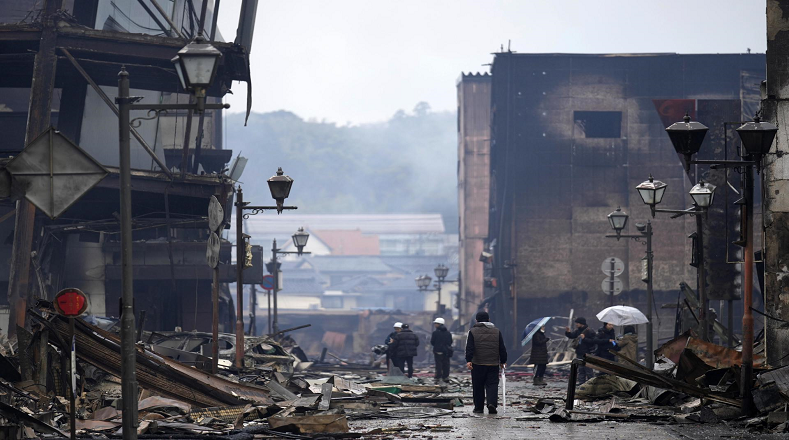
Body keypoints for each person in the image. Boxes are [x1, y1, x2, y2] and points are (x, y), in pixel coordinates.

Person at [466, 311, 507, 415]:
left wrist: (469, 360)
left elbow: (470, 347)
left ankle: (479, 408)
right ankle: (491, 403)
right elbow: (502, 347)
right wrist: (503, 361)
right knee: (492, 385)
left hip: (477, 363)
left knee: (478, 386)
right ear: (489, 320)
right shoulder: (496, 331)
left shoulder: (472, 331)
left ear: (476, 320)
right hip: (493, 363)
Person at [565, 317, 596, 385]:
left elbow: (593, 341)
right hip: (579, 352)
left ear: (582, 323)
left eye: (577, 323)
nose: (576, 324)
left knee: (588, 369)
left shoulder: (590, 331)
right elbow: (572, 336)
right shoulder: (578, 331)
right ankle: (582, 382)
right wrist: (568, 332)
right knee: (581, 369)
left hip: (587, 353)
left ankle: (591, 382)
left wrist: (584, 338)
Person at [430, 317, 453, 384]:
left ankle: (438, 377)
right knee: (446, 364)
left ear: (439, 324)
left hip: (438, 351)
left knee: (438, 365)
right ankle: (445, 376)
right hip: (446, 351)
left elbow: (432, 342)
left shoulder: (435, 333)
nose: (435, 325)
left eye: (436, 324)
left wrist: (437, 346)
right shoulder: (448, 333)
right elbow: (450, 342)